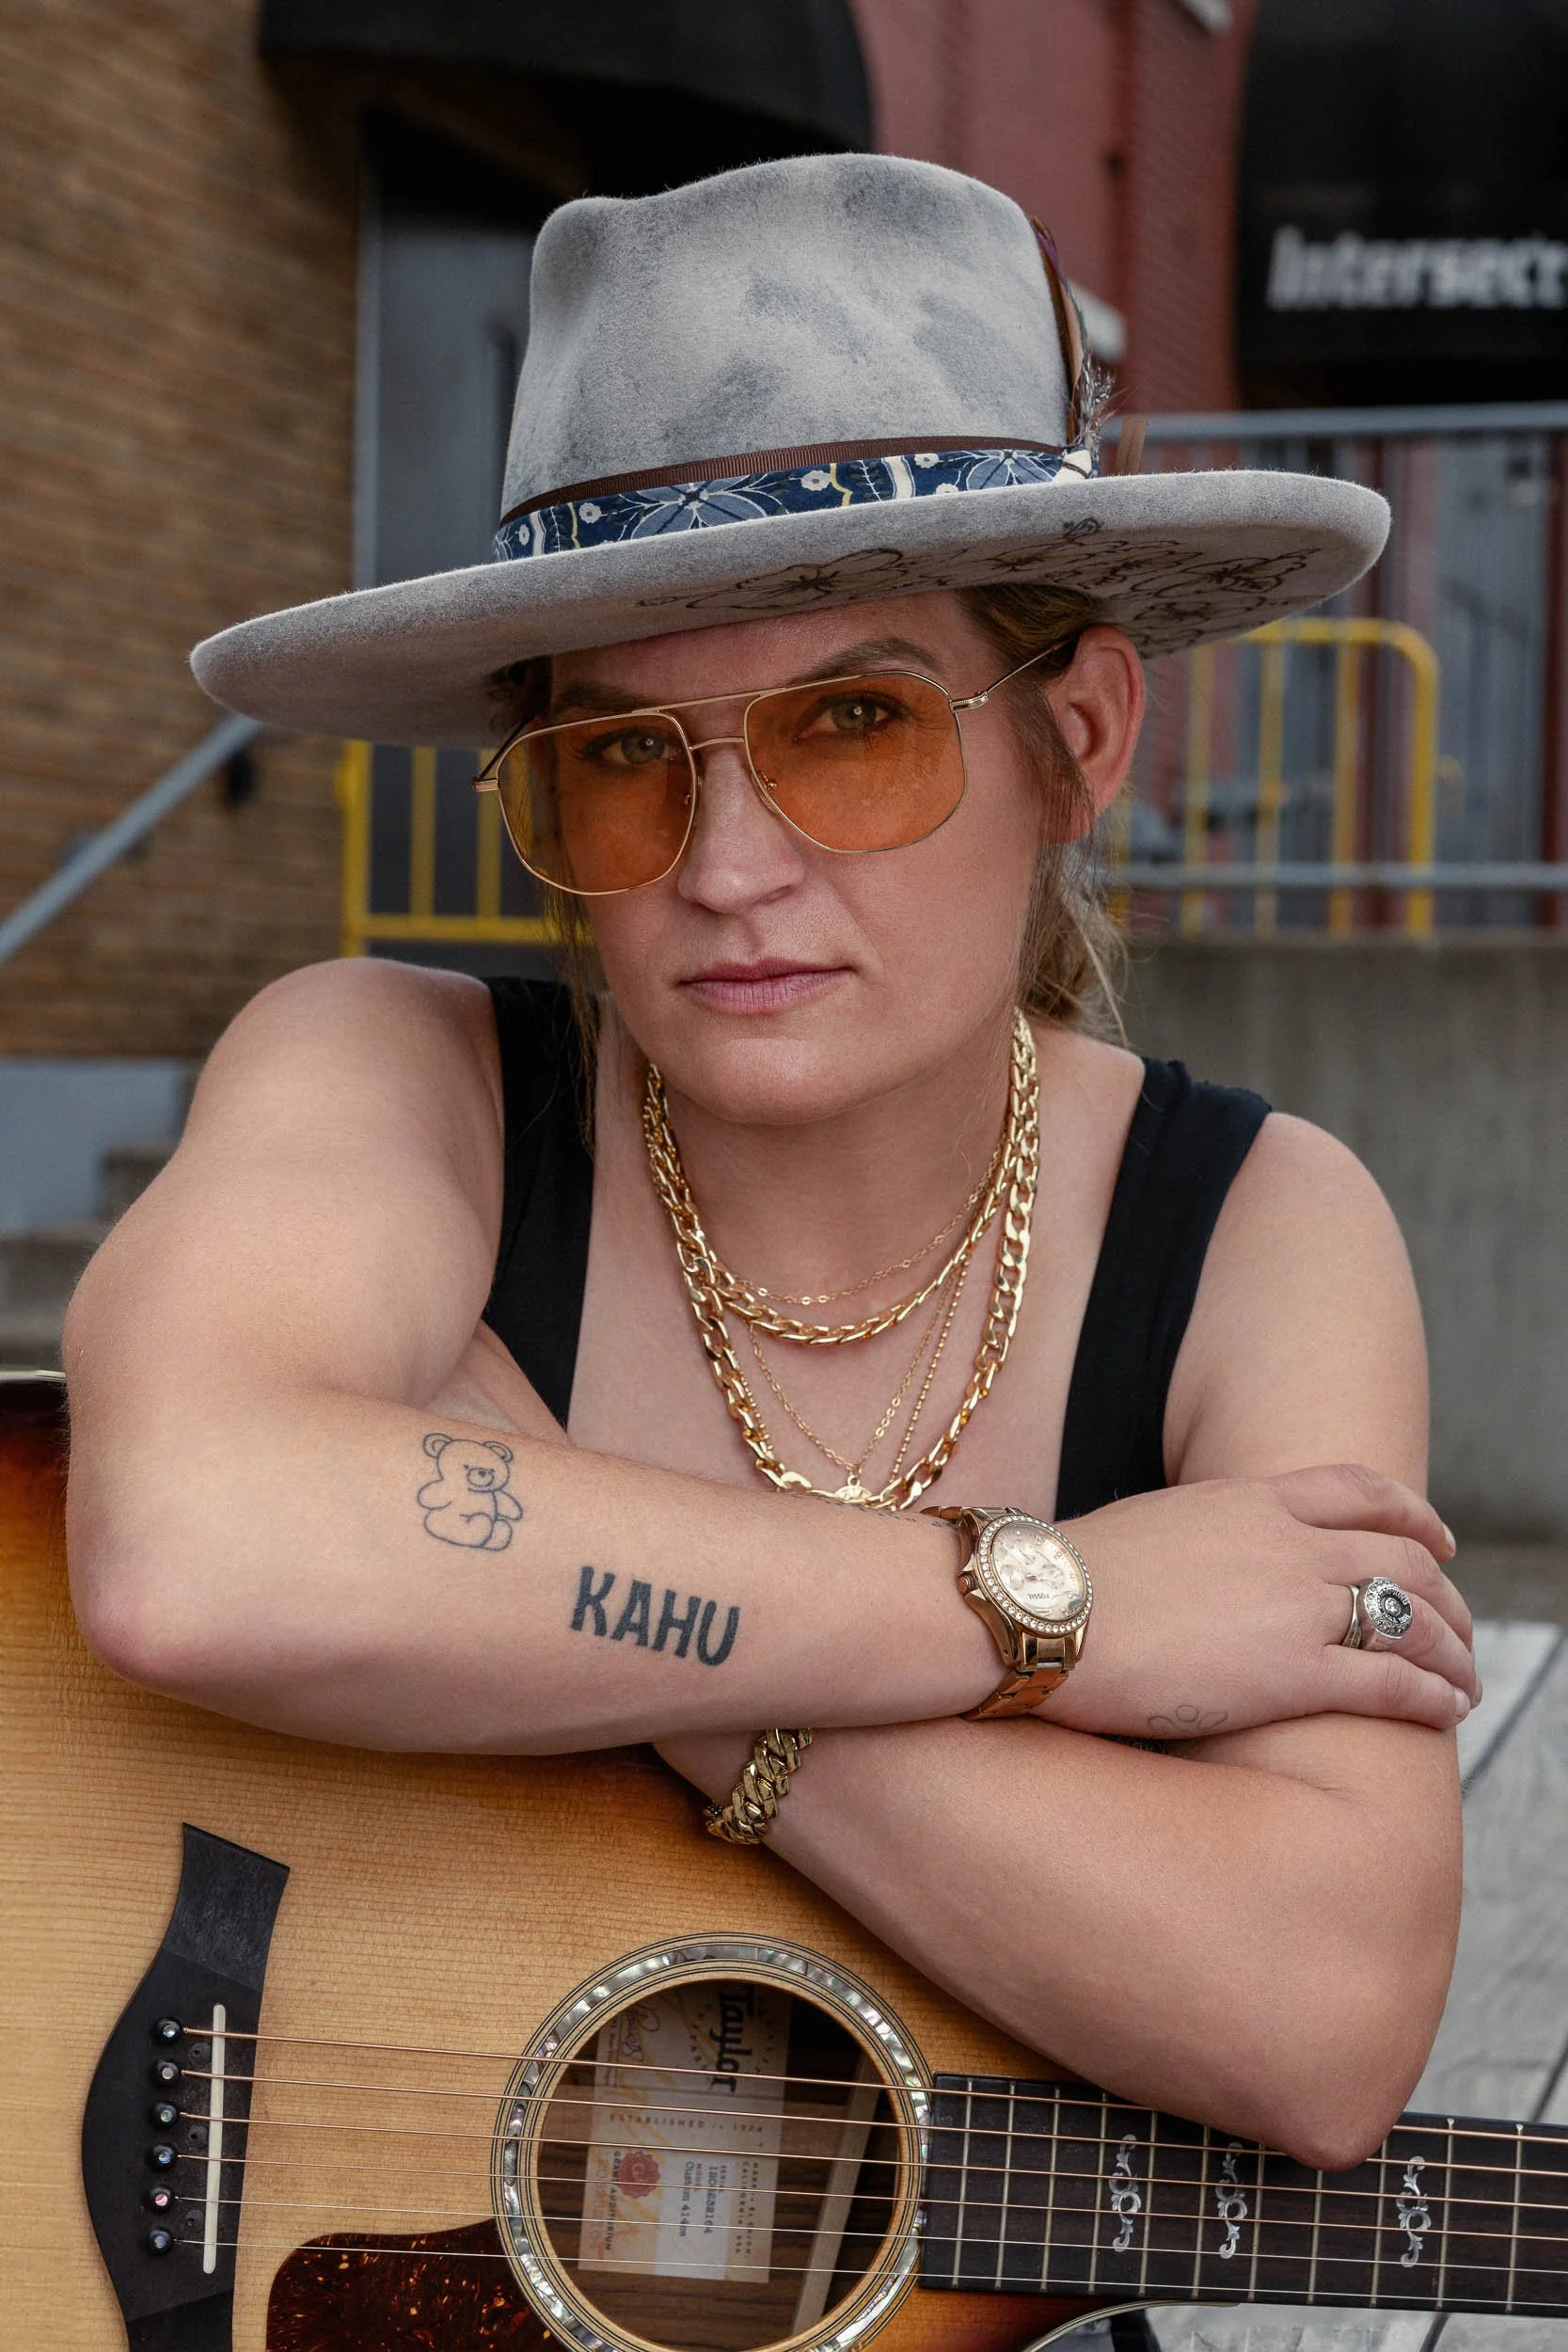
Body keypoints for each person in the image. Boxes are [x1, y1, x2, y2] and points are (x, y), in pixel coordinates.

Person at [65, 153, 1474, 2175]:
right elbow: (194, 1542)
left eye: (851, 723)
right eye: (620, 755)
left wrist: (582, 1633)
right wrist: (1045, 1608)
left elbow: (1316, 2018)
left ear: (1080, 736)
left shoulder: (1254, 1223)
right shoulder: (391, 1074)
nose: (726, 869)